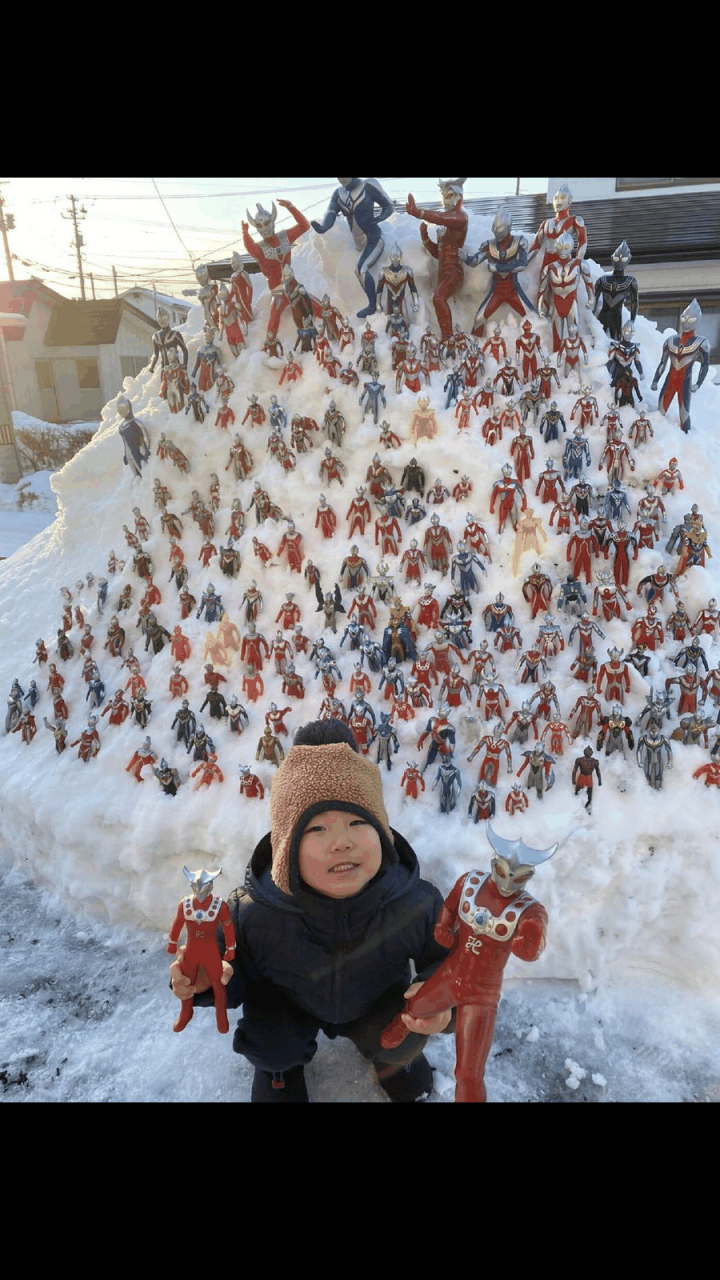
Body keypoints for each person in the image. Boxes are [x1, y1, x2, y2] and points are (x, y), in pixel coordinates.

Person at [170, 719, 452, 1103]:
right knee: (270, 1041)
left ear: (382, 833)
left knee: (401, 1034)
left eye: (357, 822)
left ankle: (392, 1062)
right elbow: (228, 968)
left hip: (371, 1001)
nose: (341, 842)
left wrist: (442, 1001)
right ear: (286, 847)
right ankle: (280, 1072)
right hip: (289, 1003)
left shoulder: (414, 902)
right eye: (316, 829)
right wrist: (205, 980)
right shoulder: (253, 911)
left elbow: (450, 962)